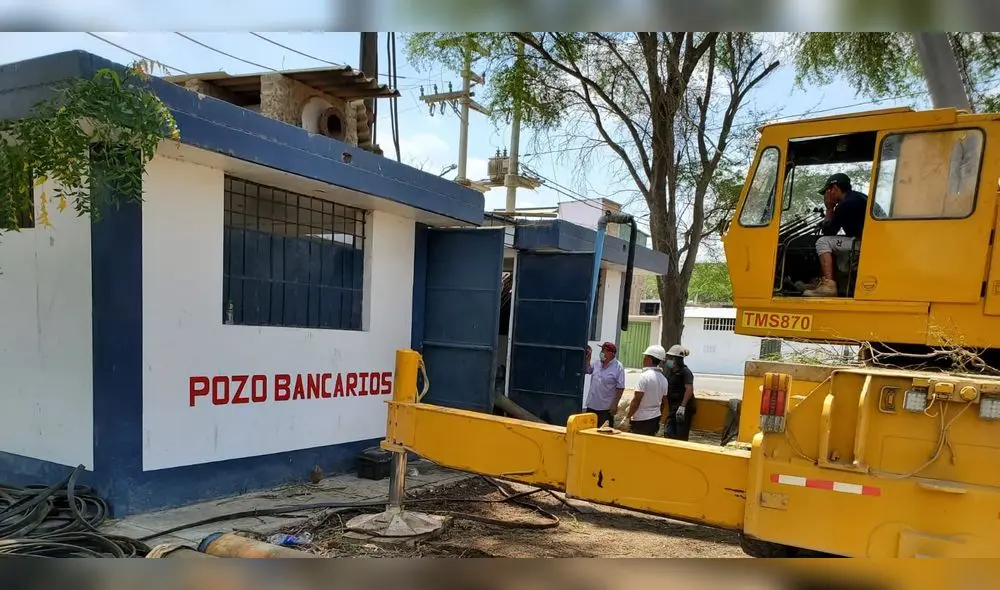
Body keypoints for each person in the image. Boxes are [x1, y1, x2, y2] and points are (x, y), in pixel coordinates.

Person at [803, 172, 870, 298]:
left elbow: (828, 232)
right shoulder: (858, 198)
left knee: (823, 242)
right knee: (832, 244)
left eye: (827, 192)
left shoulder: (846, 204)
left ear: (834, 189)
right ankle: (821, 282)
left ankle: (829, 286)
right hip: (868, 243)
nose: (826, 196)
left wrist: (829, 208)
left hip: (863, 245)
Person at [621, 345, 669, 436]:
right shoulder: (663, 379)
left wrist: (627, 417)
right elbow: (664, 401)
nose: (643, 359)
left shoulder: (644, 376)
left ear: (650, 359)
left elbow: (637, 400)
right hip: (655, 418)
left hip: (641, 419)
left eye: (645, 357)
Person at [584, 342, 625, 428]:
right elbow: (587, 370)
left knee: (603, 433)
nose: (601, 353)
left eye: (603, 350)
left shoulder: (618, 367)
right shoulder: (597, 363)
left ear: (611, 353)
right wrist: (588, 358)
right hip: (591, 405)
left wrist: (615, 404)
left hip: (605, 409)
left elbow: (620, 388)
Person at [663, 344, 696, 441]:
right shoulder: (670, 371)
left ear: (676, 359)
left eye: (670, 357)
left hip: (683, 408)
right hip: (673, 407)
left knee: (680, 435)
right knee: (669, 433)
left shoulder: (685, 372)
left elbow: (689, 389)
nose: (667, 359)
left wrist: (682, 407)